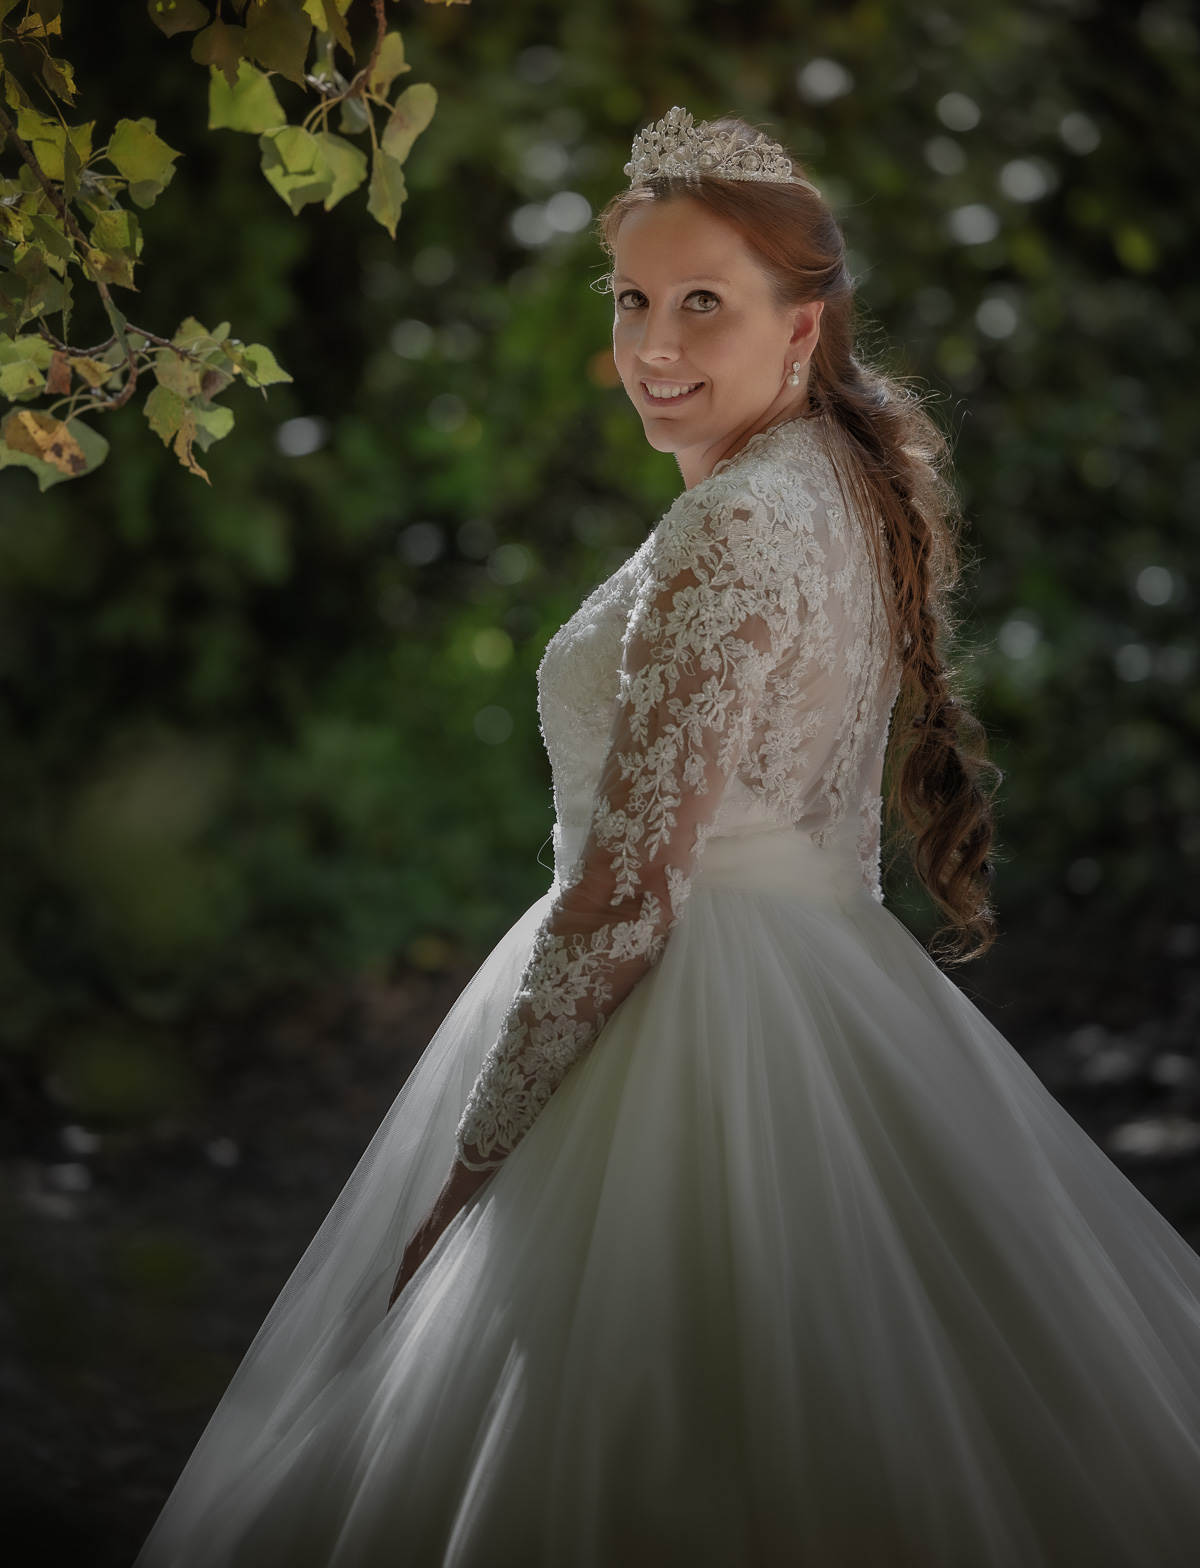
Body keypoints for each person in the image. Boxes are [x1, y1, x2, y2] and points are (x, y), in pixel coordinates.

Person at [138, 110, 1200, 1568]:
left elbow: (630, 893)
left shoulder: (736, 524)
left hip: (685, 1012)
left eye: (704, 300)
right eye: (634, 298)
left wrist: (471, 1169)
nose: (654, 343)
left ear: (801, 324)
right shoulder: (833, 482)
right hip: (827, 978)